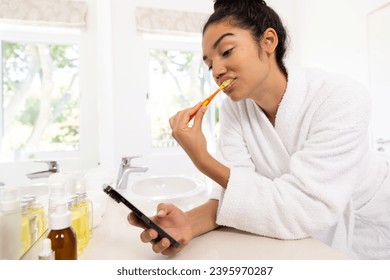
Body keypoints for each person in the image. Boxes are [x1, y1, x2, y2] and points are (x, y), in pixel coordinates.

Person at [128, 0, 390, 259]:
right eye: (209, 65)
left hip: (374, 229)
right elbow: (237, 189)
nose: (217, 71)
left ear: (268, 41)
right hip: (302, 238)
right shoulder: (235, 109)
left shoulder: (341, 97)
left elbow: (300, 208)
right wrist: (188, 223)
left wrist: (202, 159)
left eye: (227, 51)